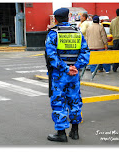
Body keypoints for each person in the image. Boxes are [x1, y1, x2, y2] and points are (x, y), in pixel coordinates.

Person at [45, 8, 90, 142]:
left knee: (59, 101)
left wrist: (65, 68)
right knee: (75, 100)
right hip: (74, 74)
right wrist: (75, 67)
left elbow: (51, 56)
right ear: (69, 17)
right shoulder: (77, 32)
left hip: (59, 74)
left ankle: (61, 133)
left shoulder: (53, 34)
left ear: (56, 19)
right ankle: (74, 132)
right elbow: (85, 52)